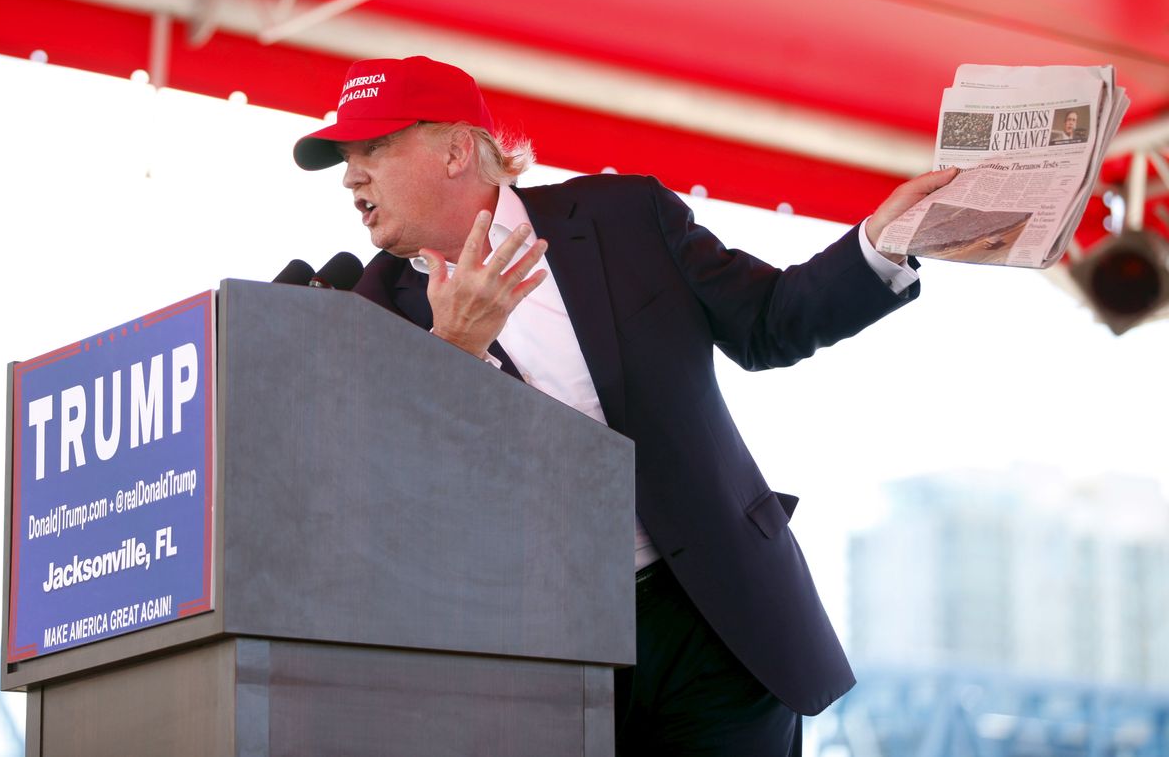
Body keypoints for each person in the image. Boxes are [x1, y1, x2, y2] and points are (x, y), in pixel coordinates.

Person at [294, 55, 956, 756]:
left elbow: (770, 322)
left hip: (714, 615)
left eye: (374, 148)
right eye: (346, 157)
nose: (351, 175)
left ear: (458, 149)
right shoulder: (364, 313)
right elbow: (385, 505)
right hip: (537, 652)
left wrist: (882, 244)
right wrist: (452, 349)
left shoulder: (622, 217)